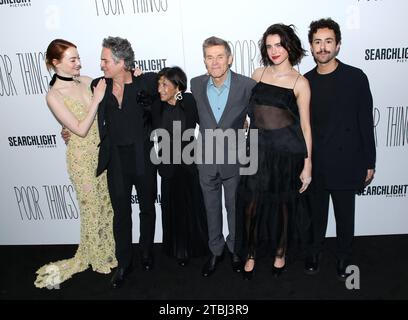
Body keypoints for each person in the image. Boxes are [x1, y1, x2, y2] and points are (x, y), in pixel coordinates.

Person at [34, 39, 117, 288]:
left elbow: (114, 97)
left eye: (78, 58)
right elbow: (80, 129)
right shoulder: (53, 95)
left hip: (102, 155)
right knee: (91, 209)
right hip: (81, 160)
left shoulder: (87, 80)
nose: (79, 63)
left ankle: (109, 252)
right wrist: (96, 99)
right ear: (55, 63)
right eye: (72, 60)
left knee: (106, 206)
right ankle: (97, 258)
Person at [236, 24, 312, 280]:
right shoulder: (258, 74)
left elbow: (305, 126)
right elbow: (249, 111)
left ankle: (280, 253)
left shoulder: (300, 82)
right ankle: (251, 253)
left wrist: (308, 164)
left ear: (290, 45)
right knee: (251, 205)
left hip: (285, 153)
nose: (274, 50)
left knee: (284, 206)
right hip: (256, 149)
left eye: (279, 44)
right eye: (269, 46)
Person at [303, 18, 376, 280]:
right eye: (317, 42)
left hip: (347, 161)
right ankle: (314, 251)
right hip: (317, 162)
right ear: (311, 47)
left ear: (338, 45)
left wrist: (370, 161)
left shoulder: (356, 78)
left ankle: (344, 256)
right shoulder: (305, 82)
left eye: (328, 41)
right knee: (316, 215)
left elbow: (365, 123)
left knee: (345, 217)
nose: (323, 47)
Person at [94, 36, 158, 288]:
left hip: (143, 157)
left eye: (105, 60)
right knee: (121, 213)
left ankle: (146, 252)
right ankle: (124, 262)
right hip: (117, 161)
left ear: (122, 62)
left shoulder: (147, 82)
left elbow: (175, 82)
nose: (101, 65)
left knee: (147, 208)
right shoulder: (99, 86)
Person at [190, 36, 256, 277]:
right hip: (206, 160)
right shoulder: (195, 84)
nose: (215, 62)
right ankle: (215, 251)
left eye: (220, 56)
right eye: (210, 57)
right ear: (204, 61)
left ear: (230, 58)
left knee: (235, 209)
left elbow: (258, 118)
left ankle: (235, 249)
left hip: (235, 159)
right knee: (211, 209)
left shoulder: (246, 85)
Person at [151, 67, 209, 267]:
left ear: (177, 86)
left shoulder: (189, 101)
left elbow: (205, 123)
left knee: (192, 206)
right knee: (172, 208)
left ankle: (198, 246)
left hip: (189, 165)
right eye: (159, 84)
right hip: (168, 166)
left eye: (165, 84)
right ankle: (178, 250)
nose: (160, 88)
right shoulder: (156, 106)